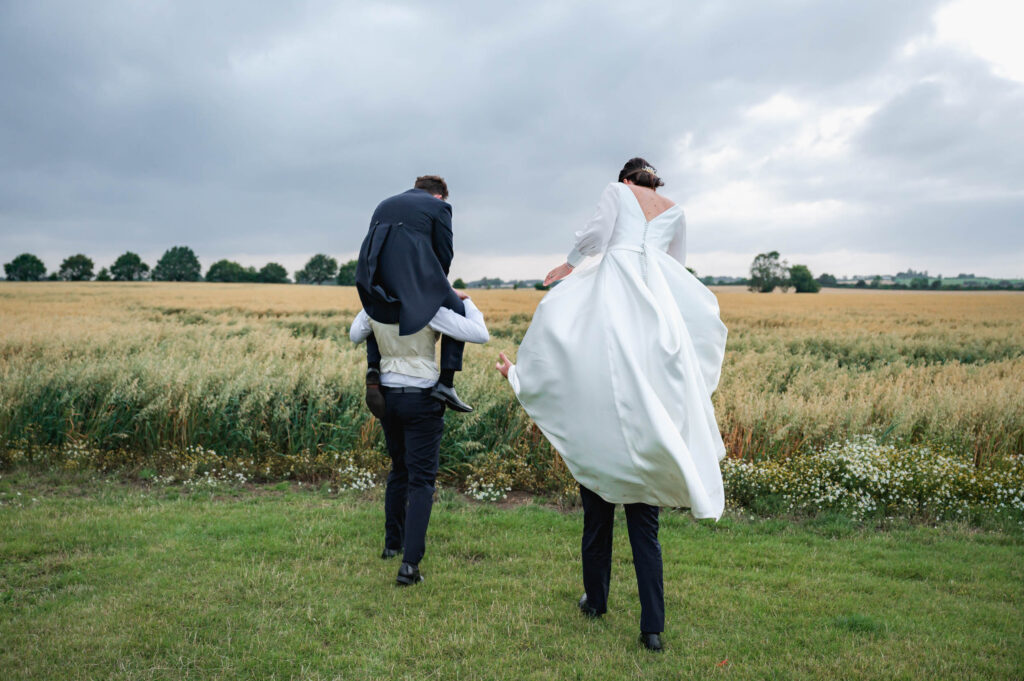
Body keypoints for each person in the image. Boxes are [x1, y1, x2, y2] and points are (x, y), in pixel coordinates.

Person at [495, 157, 728, 652]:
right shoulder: (675, 209)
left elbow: (594, 236)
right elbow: (674, 266)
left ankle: (596, 600)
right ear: (653, 182)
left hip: (615, 298)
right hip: (654, 316)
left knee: (576, 340)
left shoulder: (616, 192)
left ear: (625, 180)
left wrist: (569, 265)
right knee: (645, 524)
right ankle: (652, 628)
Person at [350, 289, 489, 585]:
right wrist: (466, 302)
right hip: (422, 396)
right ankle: (409, 566)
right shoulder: (428, 307)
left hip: (386, 396)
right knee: (422, 481)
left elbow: (354, 334)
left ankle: (392, 545)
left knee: (399, 470)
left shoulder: (378, 306)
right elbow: (480, 333)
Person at [355, 175, 474, 416]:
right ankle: (447, 383)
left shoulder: (384, 204)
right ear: (439, 195)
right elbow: (444, 254)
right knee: (457, 309)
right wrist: (440, 289)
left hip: (373, 280)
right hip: (410, 278)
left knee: (374, 309)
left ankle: (373, 367)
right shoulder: (440, 207)